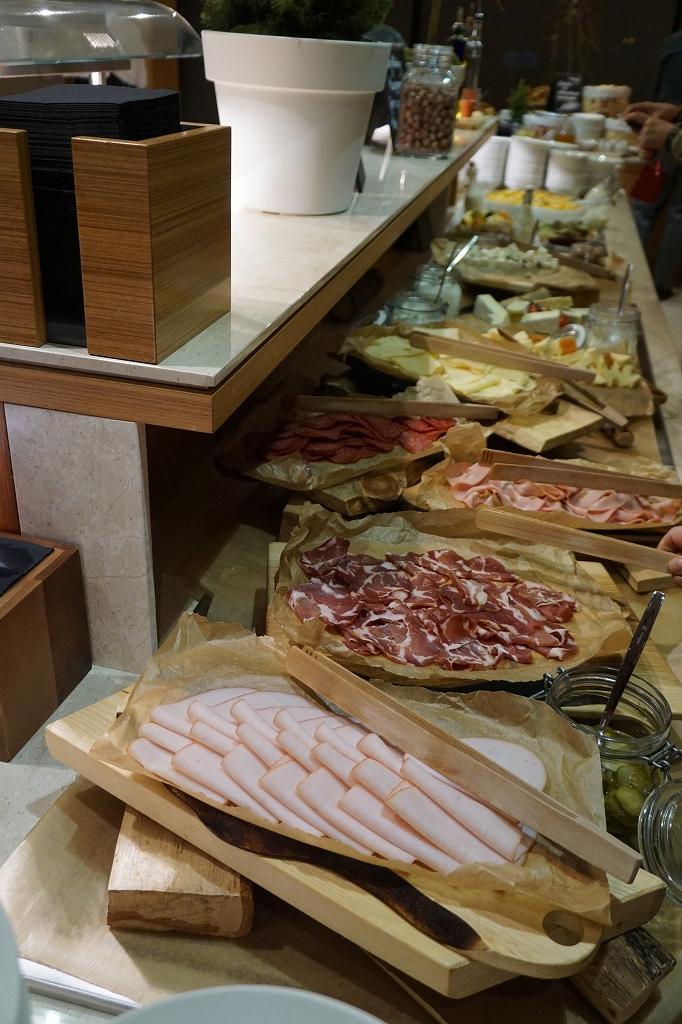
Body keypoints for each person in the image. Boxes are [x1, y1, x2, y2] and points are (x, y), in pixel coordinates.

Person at [624, 30, 682, 299]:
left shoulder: (675, 41)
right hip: (668, 132)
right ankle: (660, 283)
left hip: (663, 140)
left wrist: (660, 127)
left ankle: (626, 275)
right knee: (679, 214)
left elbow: (659, 86)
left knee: (643, 205)